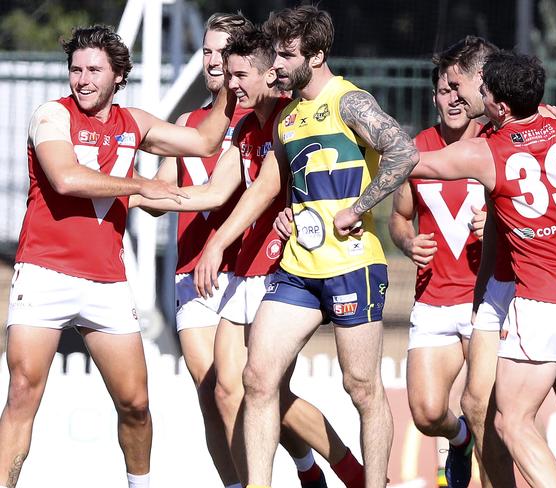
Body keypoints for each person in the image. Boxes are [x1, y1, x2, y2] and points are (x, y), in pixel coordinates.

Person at [189, 6, 418, 488]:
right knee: (257, 378)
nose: (277, 66)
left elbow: (404, 151)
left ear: (316, 55)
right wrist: (219, 243)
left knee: (361, 387)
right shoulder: (287, 118)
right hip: (297, 266)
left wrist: (358, 208)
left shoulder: (350, 102)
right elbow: (265, 188)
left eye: (287, 56)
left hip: (352, 264)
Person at [0, 24, 235, 488]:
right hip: (44, 274)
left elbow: (206, 142)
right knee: (23, 393)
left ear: (118, 76)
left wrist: (227, 81)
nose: (82, 79)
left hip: (106, 282)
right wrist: (141, 184)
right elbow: (67, 178)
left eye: (93, 70)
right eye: (75, 69)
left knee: (136, 405)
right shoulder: (52, 115)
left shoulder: (136, 123)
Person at [133, 26, 365, 488]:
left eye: (239, 72)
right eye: (214, 59)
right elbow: (215, 191)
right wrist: (133, 195)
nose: (228, 78)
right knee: (223, 389)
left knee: (267, 390)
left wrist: (336, 210)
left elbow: (278, 185)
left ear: (264, 73)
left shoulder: (289, 118)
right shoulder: (238, 127)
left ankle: (350, 472)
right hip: (241, 269)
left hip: (281, 271)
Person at [413, 50, 556, 488]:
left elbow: (415, 163)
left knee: (516, 420)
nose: (461, 94)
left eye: (468, 85)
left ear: (497, 100)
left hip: (534, 295)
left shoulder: (489, 148)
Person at [132, 12, 252, 488]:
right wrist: (118, 186)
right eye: (205, 50)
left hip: (244, 270)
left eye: (221, 51)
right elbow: (163, 192)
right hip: (190, 272)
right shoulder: (186, 123)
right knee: (211, 392)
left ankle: (303, 465)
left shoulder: (261, 118)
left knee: (240, 390)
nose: (211, 60)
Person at [388, 66, 482, 488]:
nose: (453, 100)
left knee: (488, 412)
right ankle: (458, 440)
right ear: (434, 97)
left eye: (459, 90)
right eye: (444, 91)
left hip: (487, 301)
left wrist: (495, 223)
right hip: (434, 299)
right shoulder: (416, 150)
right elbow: (399, 218)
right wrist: (408, 243)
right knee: (427, 413)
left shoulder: (495, 142)